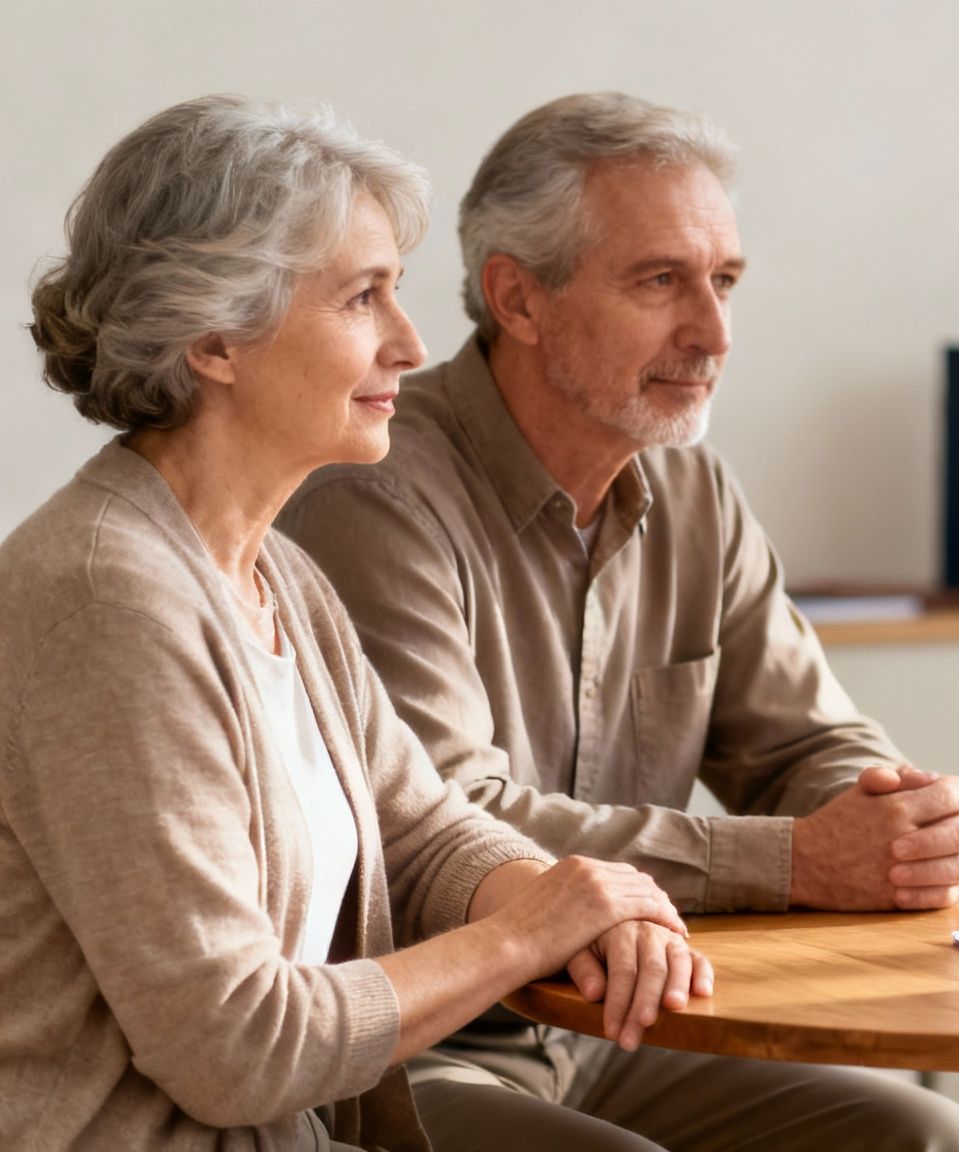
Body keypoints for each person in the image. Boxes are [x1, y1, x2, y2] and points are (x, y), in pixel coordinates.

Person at [0, 96, 709, 1152]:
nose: (411, 342)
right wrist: (529, 931)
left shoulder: (276, 572)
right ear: (213, 341)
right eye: (361, 298)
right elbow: (237, 1044)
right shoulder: (102, 598)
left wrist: (580, 898)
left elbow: (420, 831)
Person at [278, 92, 959, 1150]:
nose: (713, 333)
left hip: (627, 1024)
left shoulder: (694, 491)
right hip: (425, 1042)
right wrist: (796, 862)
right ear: (516, 298)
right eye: (660, 282)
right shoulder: (372, 494)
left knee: (924, 1137)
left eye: (725, 282)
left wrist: (889, 822)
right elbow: (445, 820)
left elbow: (802, 740)